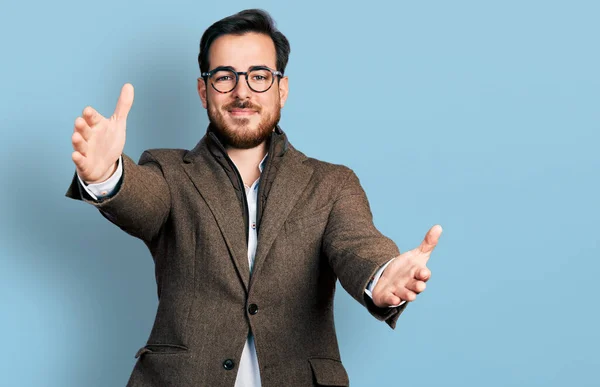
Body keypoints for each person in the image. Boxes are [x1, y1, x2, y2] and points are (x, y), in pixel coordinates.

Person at [65, 9, 442, 387]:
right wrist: (107, 174)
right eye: (225, 77)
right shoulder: (169, 172)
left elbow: (356, 243)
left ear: (282, 89)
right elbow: (141, 202)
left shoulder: (331, 184)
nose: (242, 92)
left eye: (259, 77)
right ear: (203, 91)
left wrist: (381, 277)